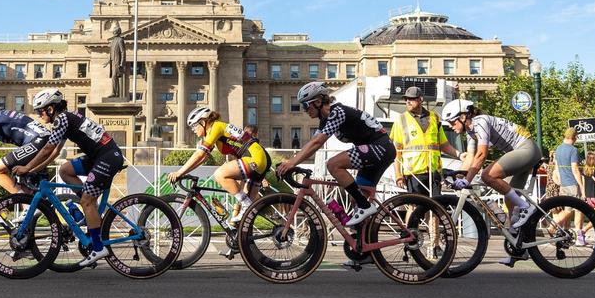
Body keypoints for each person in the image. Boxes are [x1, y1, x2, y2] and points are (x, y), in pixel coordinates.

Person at [14, 88, 124, 268]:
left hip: (107, 157)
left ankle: (98, 247)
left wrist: (26, 167)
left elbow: (48, 148)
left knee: (88, 201)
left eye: (40, 111)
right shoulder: (66, 118)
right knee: (65, 170)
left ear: (50, 109)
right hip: (99, 156)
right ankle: (88, 207)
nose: (39, 115)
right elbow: (56, 151)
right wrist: (36, 169)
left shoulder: (61, 120)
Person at [276, 82, 396, 228]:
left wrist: (291, 163)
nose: (304, 110)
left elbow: (317, 143)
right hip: (377, 150)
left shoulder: (337, 112)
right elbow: (313, 141)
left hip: (380, 147)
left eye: (306, 106)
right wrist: (293, 161)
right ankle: (364, 245)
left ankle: (365, 206)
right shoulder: (326, 120)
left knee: (333, 164)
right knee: (356, 198)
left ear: (318, 102)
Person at [440, 99, 542, 267]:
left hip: (526, 149)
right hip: (519, 152)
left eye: (452, 122)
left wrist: (467, 180)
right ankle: (518, 249)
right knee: (511, 200)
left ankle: (527, 208)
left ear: (464, 117)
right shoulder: (471, 132)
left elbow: (481, 155)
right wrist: (459, 177)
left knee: (488, 176)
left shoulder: (481, 122)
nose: (451, 126)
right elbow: (471, 159)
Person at [168, 107, 271, 225]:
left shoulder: (216, 127)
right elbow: (203, 157)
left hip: (254, 158)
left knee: (219, 174)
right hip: (260, 158)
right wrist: (183, 172)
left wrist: (179, 172)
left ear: (203, 122)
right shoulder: (215, 131)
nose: (193, 130)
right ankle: (244, 239)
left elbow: (199, 154)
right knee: (244, 219)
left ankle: (246, 203)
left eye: (194, 126)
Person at [392, 87, 463, 198]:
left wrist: (460, 154)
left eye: (411, 99)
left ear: (420, 99)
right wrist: (398, 175)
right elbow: (396, 151)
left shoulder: (434, 118)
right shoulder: (401, 120)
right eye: (406, 99)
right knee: (414, 206)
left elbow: (443, 144)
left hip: (434, 171)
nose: (408, 102)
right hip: (413, 173)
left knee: (434, 206)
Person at [553, 127, 585, 234]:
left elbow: (557, 168)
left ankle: (565, 232)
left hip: (563, 184)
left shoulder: (558, 149)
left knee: (567, 209)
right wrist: (581, 186)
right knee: (571, 210)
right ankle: (553, 225)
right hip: (572, 183)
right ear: (574, 137)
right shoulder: (573, 150)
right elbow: (575, 169)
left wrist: (559, 180)